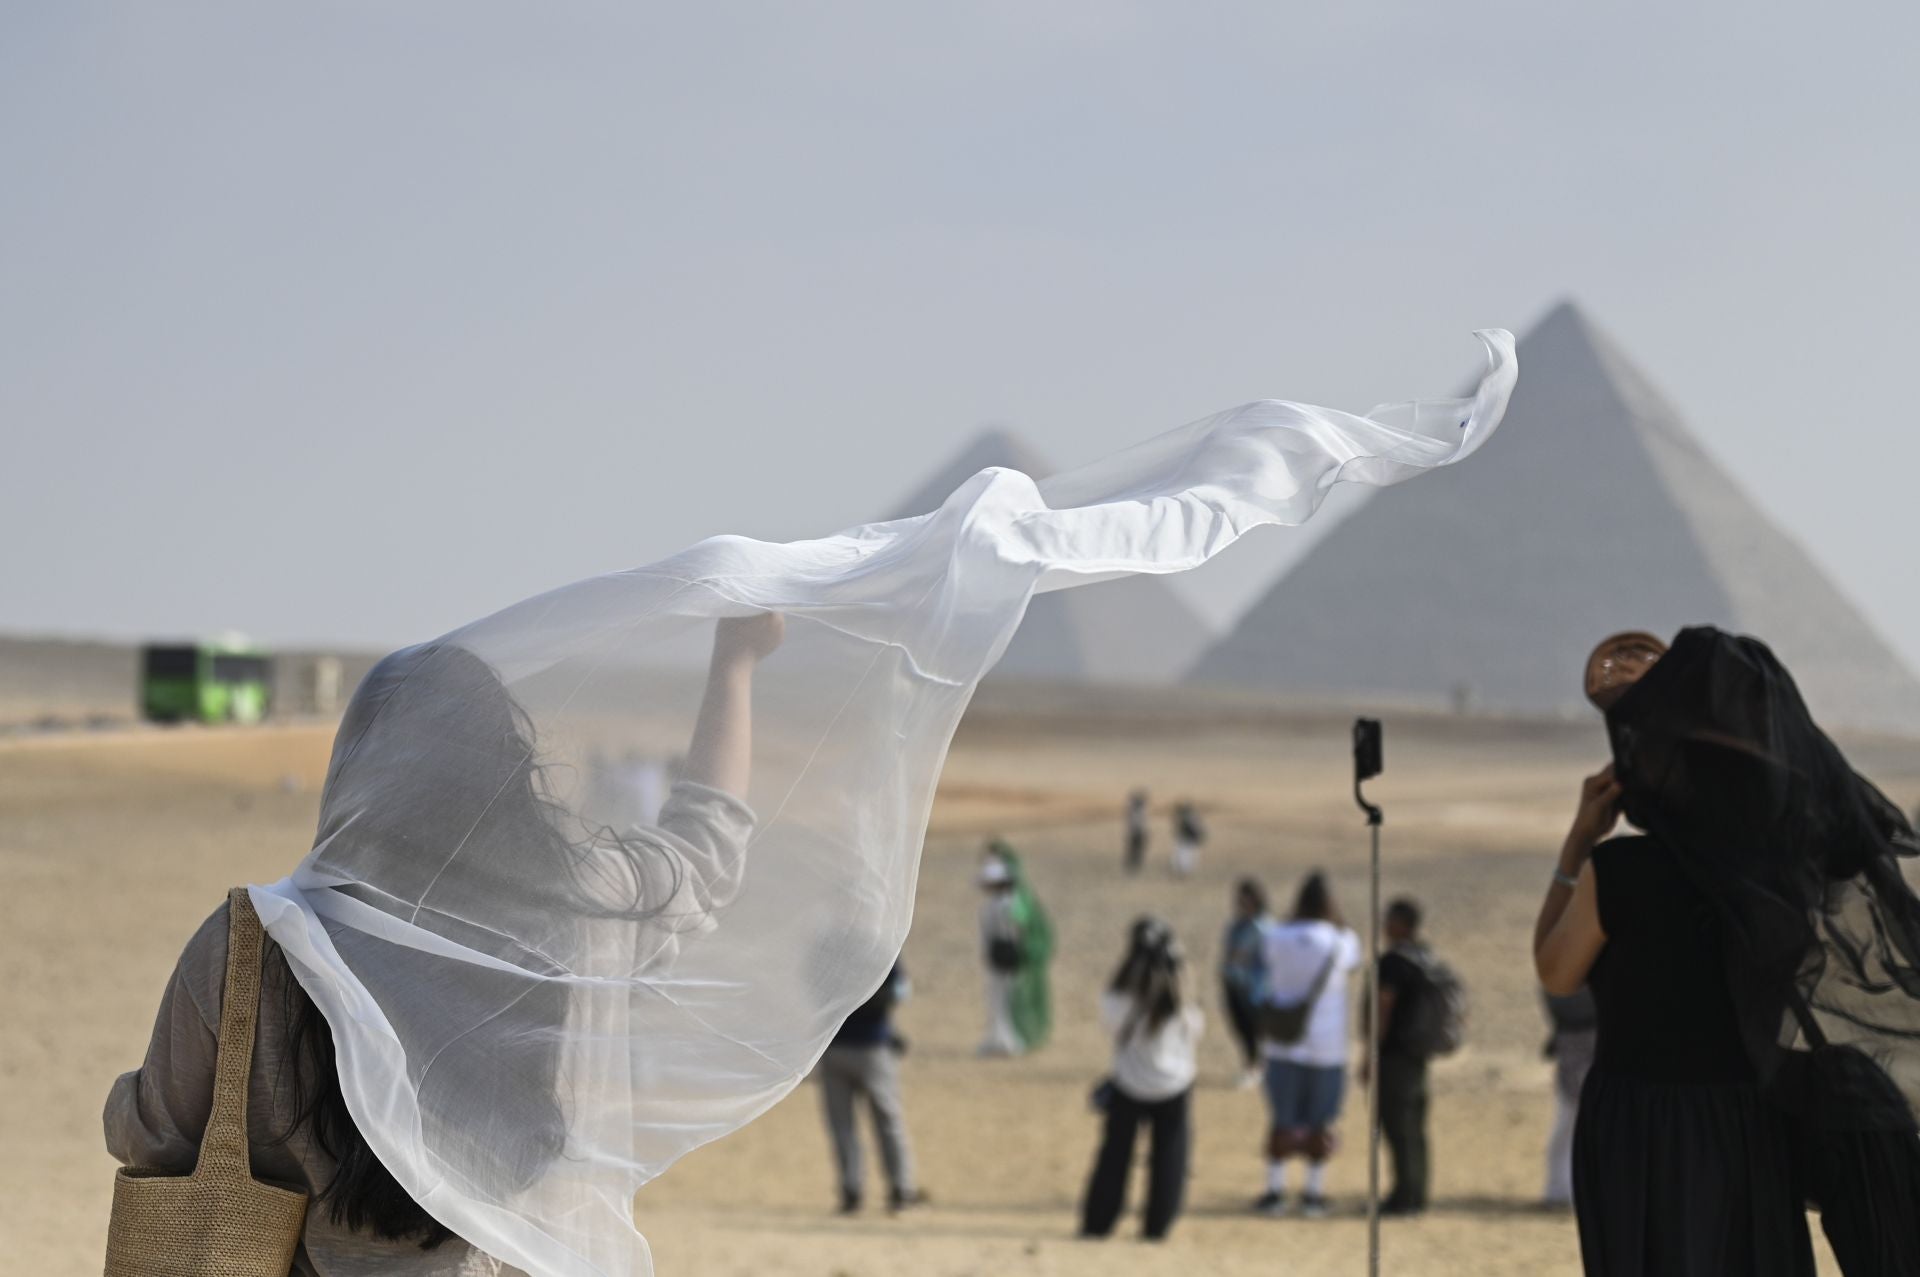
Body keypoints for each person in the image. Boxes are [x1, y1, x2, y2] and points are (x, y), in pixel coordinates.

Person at [103, 614, 784, 1275]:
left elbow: (157, 1133)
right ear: (507, 766)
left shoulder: (250, 944)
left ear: (356, 768)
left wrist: (138, 1101)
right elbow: (706, 845)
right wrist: (735, 664)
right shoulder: (581, 912)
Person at [1534, 627, 1920, 1276]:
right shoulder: (1782, 874)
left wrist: (1577, 844)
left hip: (1638, 1128)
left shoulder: (1620, 868)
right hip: (1743, 1126)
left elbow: (1554, 967)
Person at [1080, 917, 1204, 1241]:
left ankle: (1099, 1221)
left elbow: (1109, 1026)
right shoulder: (1180, 1002)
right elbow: (1196, 1030)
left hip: (1129, 1085)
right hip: (1174, 1084)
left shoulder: (1118, 999)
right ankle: (1157, 1224)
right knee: (1169, 1158)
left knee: (1114, 1156)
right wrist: (1181, 972)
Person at [1254, 870, 1361, 1218]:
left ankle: (1275, 1190)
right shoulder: (1341, 940)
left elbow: (1266, 968)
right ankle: (1313, 1193)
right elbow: (1353, 966)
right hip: (1327, 1047)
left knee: (1281, 1120)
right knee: (1320, 1121)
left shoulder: (1277, 935)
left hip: (1283, 1043)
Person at [815, 961, 923, 1215]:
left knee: (850, 1124)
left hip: (844, 1044)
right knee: (882, 1120)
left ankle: (861, 1189)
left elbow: (813, 990)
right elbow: (900, 991)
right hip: (866, 1044)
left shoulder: (830, 948)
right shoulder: (879, 942)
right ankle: (895, 1188)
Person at [1368, 897, 1437, 1216]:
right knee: (1415, 1127)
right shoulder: (1424, 959)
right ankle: (1416, 1192)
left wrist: (1371, 1054)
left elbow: (1384, 1007)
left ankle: (1405, 1196)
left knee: (1399, 1126)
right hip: (1417, 1057)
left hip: (1395, 1057)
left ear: (1402, 925)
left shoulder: (1394, 963)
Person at [977, 839, 1053, 1056]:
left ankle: (1004, 1041)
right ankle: (1004, 1039)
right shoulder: (1014, 902)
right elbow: (1021, 928)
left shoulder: (992, 906)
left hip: (1000, 956)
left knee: (999, 1000)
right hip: (1013, 955)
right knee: (1008, 998)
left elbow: (991, 933)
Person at [1540, 986, 1597, 1209]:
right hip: (1577, 1043)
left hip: (1588, 1044)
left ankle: (1562, 1190)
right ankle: (1559, 1191)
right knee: (1568, 1121)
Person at [1220, 878, 1270, 1088]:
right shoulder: (1236, 925)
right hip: (1234, 982)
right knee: (1240, 1028)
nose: (1241, 902)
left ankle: (1257, 1068)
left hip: (1255, 987)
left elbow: (1255, 954)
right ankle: (1251, 1066)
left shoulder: (1263, 926)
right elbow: (1229, 953)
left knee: (1256, 1030)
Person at [1171, 802, 1206, 877]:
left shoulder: (1188, 819)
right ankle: (1183, 871)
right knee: (1184, 857)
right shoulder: (1193, 818)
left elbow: (1195, 831)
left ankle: (1183, 872)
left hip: (1187, 841)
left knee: (1184, 857)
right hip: (1188, 841)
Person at [1124, 789, 1150, 873]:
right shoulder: (1139, 810)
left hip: (1136, 832)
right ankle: (1133, 863)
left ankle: (1134, 863)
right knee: (1135, 849)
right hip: (1137, 832)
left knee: (1135, 849)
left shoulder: (1136, 810)